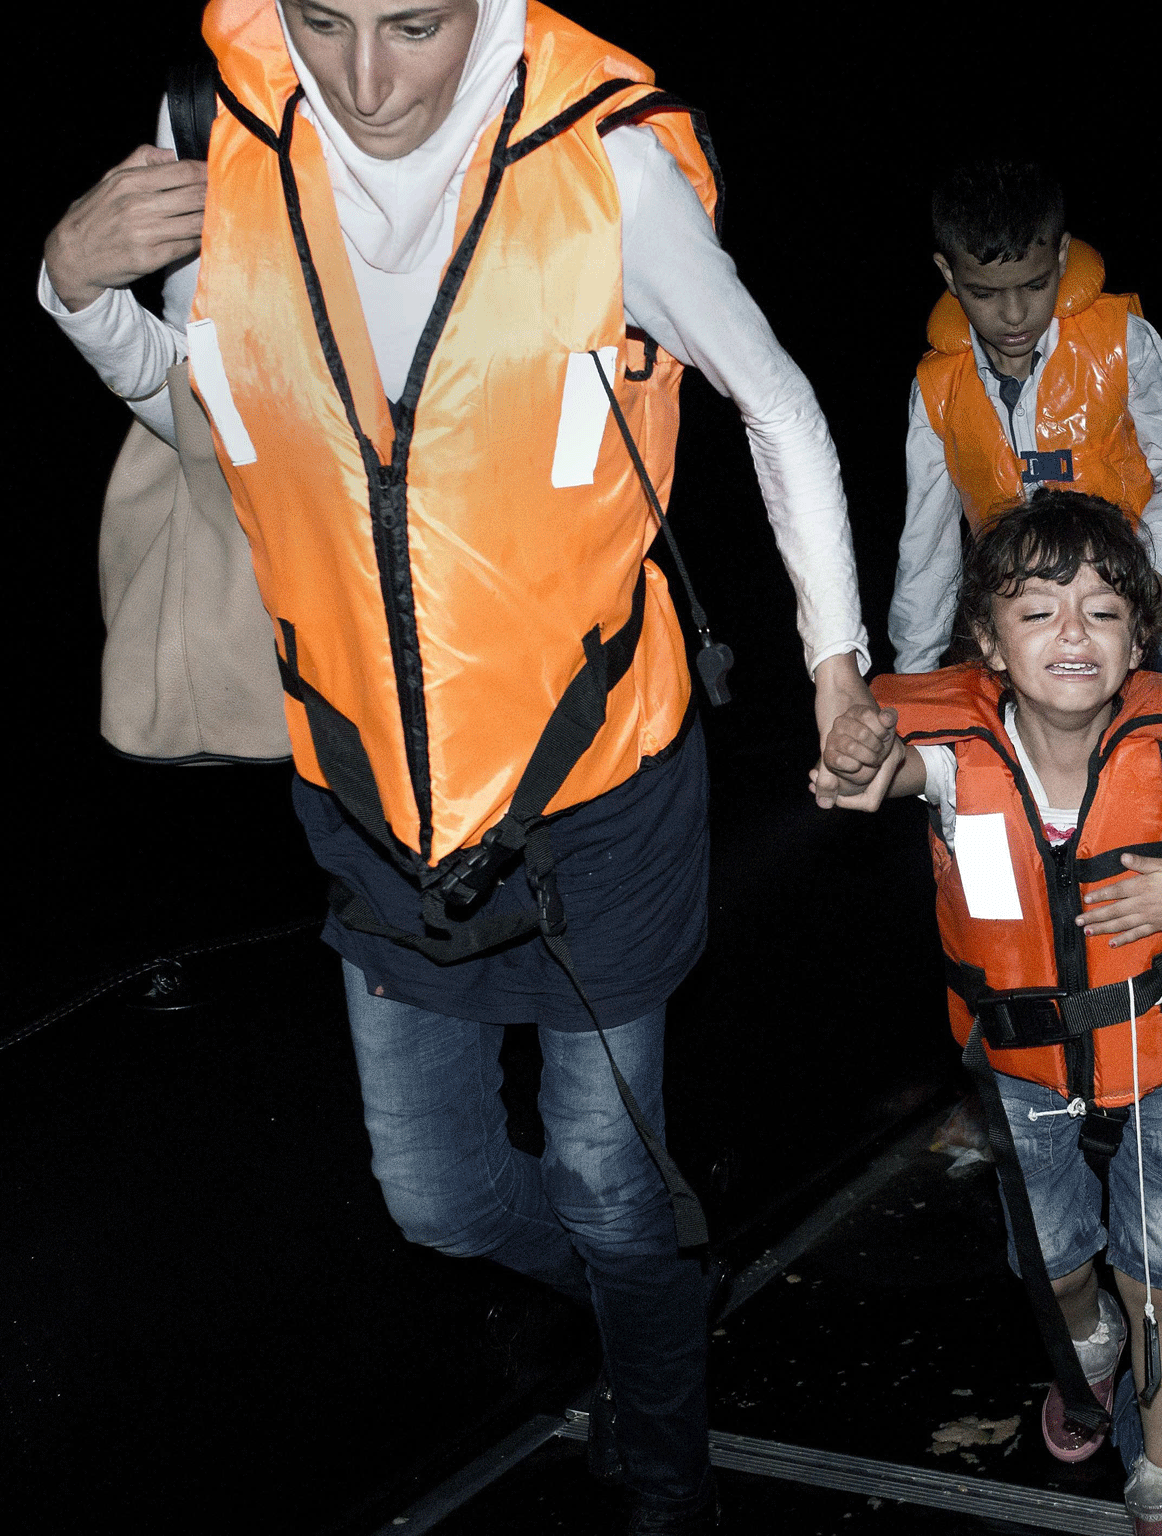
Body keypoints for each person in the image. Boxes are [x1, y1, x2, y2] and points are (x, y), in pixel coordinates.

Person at [40, 2, 874, 1530]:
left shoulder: (603, 164)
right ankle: (653, 1304)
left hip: (598, 797)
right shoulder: (218, 128)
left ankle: (663, 1446)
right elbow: (221, 433)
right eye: (324, 23)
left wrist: (837, 668)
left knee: (613, 1182)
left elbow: (776, 402)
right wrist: (76, 294)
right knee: (435, 1200)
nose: (365, 83)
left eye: (415, 27)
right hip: (372, 808)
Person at [813, 493, 1162, 1535]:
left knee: (1159, 1270)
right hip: (1022, 1063)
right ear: (988, 646)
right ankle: (1082, 1340)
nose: (1072, 634)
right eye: (1037, 612)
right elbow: (889, 766)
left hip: (1161, 1054)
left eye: (1100, 610)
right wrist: (860, 758)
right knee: (1052, 1261)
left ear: (1138, 637)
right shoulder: (953, 764)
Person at [890, 160, 1162, 679]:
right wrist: (913, 676)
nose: (1015, 314)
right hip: (1029, 651)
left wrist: (1135, 581)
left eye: (1035, 285)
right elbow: (926, 549)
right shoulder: (936, 390)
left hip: (1155, 638)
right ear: (949, 275)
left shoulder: (1122, 340)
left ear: (1063, 256)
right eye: (985, 293)